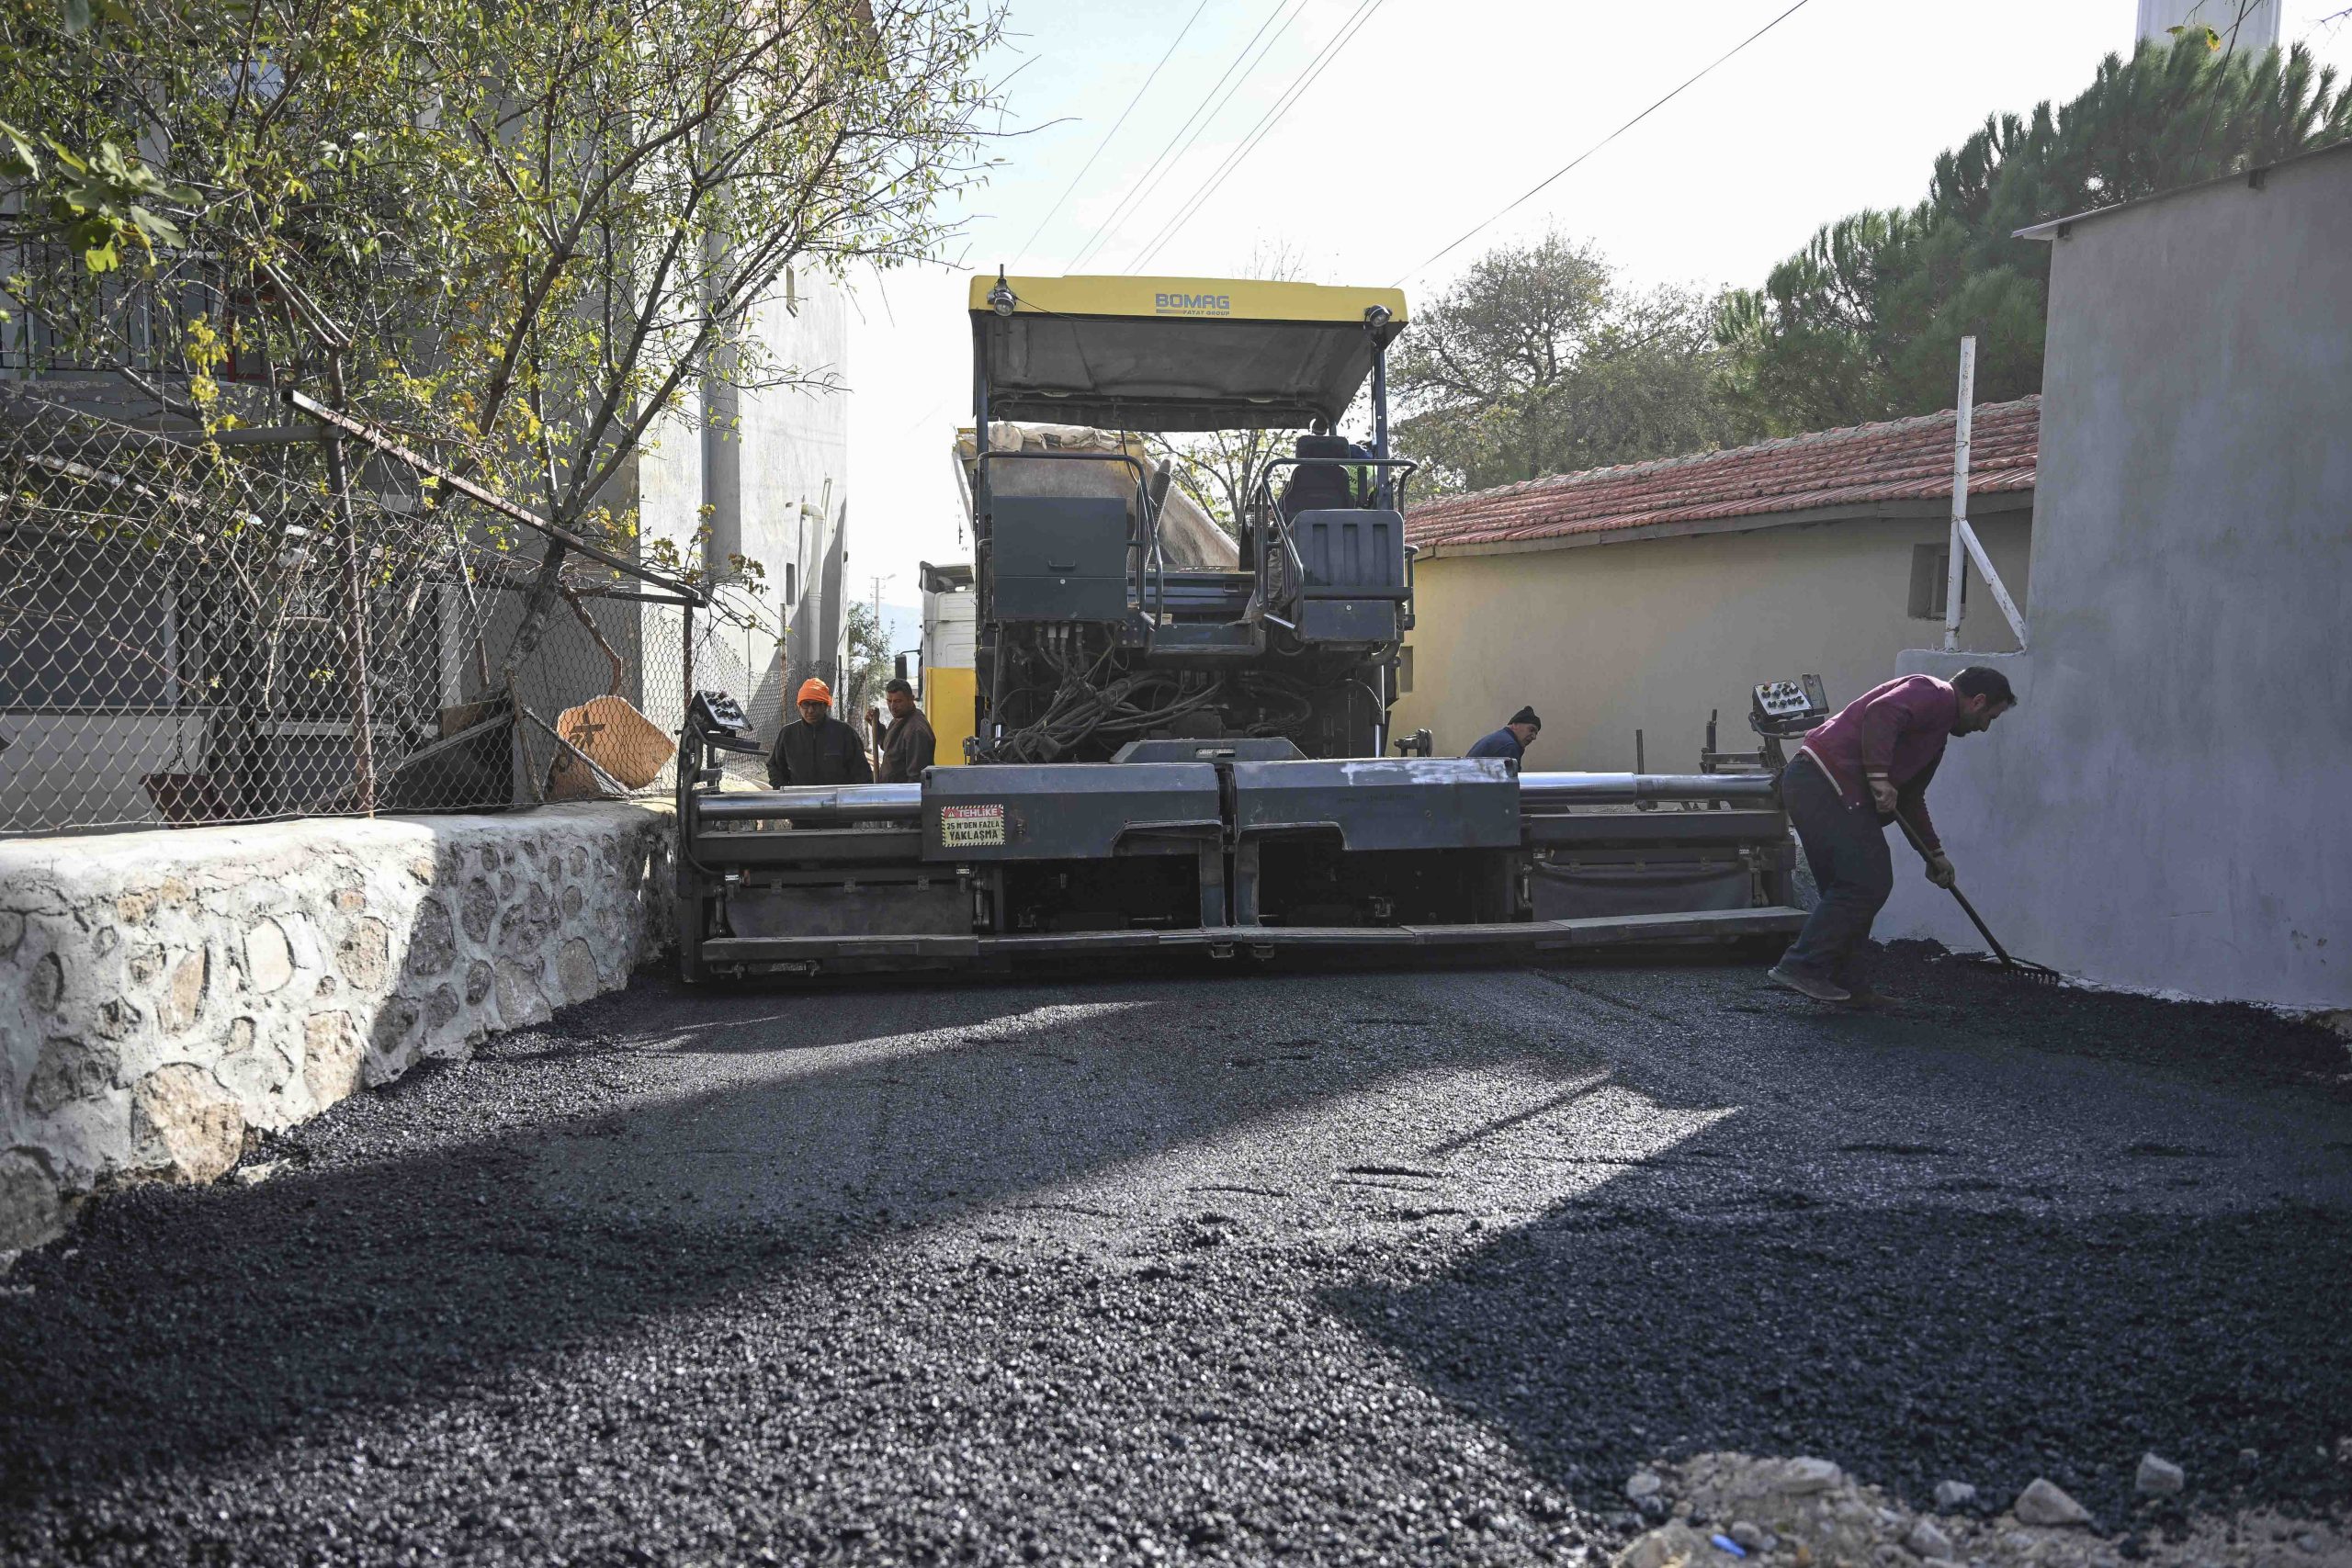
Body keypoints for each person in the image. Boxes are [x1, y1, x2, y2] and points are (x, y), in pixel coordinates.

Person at [1770, 666, 2017, 1004]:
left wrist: (1934, 854)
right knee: (1867, 882)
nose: (1985, 727)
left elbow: (1911, 798)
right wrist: (1878, 776)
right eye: (1991, 717)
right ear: (1978, 701)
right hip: (1824, 782)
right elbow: (1882, 711)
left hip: (1822, 786)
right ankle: (1801, 966)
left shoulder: (1934, 739)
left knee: (1848, 889)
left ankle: (1849, 986)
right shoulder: (1933, 691)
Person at [767, 677, 872, 788]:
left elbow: (862, 772)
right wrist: (784, 791)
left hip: (836, 801)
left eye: (816, 704)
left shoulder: (845, 733)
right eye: (806, 704)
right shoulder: (788, 734)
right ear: (799, 706)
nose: (811, 710)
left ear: (825, 705)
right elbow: (775, 766)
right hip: (799, 801)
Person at [868, 677, 936, 784]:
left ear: (911, 699)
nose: (892, 706)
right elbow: (890, 748)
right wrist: (876, 725)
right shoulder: (899, 718)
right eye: (889, 701)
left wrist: (905, 799)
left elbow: (916, 778)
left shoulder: (915, 731)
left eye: (898, 701)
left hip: (902, 797)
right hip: (892, 794)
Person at [1465, 706, 1541, 763]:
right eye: (1531, 730)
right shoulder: (1509, 746)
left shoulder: (1500, 738)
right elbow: (1508, 782)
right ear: (1515, 725)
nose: (1534, 737)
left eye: (1536, 733)